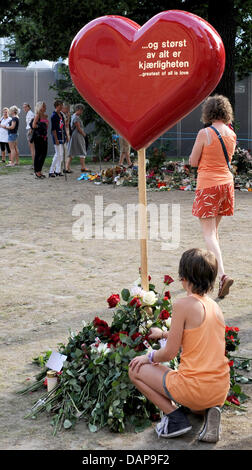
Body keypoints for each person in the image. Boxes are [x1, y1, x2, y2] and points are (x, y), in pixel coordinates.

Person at [129, 248, 230, 443]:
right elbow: (198, 334)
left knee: (135, 369)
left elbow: (169, 353)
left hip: (193, 388)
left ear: (183, 277)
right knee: (196, 401)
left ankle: (175, 418)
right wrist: (164, 333)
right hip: (219, 389)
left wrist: (147, 357)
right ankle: (210, 411)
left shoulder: (183, 305)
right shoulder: (215, 308)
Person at [189, 94, 236, 298]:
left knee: (208, 234)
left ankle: (222, 275)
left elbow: (192, 161)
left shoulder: (205, 133)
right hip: (226, 184)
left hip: (208, 185)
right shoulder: (231, 134)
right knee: (214, 234)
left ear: (208, 112)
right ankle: (209, 274)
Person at [49, 99, 68, 177]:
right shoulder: (54, 116)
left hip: (62, 135)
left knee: (61, 154)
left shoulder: (61, 114)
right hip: (56, 136)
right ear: (57, 106)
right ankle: (51, 171)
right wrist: (56, 139)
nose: (62, 107)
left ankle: (58, 170)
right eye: (61, 105)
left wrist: (66, 135)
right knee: (57, 154)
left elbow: (63, 126)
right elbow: (53, 129)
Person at [67, 103, 87, 173]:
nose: (82, 112)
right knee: (82, 150)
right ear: (78, 109)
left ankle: (67, 167)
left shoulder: (73, 116)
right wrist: (84, 134)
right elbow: (78, 128)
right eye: (81, 110)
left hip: (74, 135)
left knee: (72, 151)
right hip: (78, 135)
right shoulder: (76, 117)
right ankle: (83, 167)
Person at [32, 101, 48, 178]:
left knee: (44, 154)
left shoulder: (45, 116)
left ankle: (40, 170)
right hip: (38, 137)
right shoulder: (37, 115)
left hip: (44, 137)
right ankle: (37, 171)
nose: (45, 107)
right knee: (38, 154)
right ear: (40, 107)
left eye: (45, 106)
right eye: (44, 106)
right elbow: (34, 125)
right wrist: (41, 125)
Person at [23, 103, 35, 167]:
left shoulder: (30, 114)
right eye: (23, 107)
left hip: (30, 131)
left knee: (32, 148)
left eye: (25, 107)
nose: (24, 109)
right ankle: (34, 163)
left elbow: (32, 123)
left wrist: (30, 130)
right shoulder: (28, 113)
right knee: (31, 148)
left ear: (28, 107)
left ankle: (34, 164)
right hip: (29, 130)